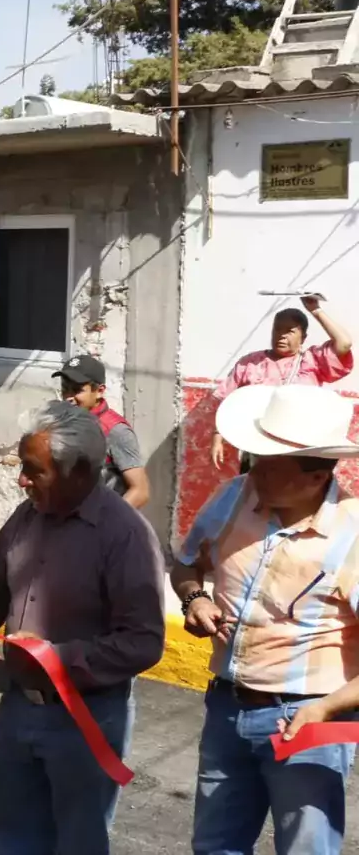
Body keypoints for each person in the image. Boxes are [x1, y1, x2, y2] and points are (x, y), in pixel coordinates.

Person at [0, 402, 166, 855]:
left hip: (86, 717)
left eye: (35, 471)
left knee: (77, 842)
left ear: (82, 471)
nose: (21, 481)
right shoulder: (26, 516)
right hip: (18, 709)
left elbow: (144, 642)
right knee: (13, 838)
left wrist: (55, 659)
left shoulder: (124, 534)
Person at [172, 384, 359, 855]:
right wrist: (194, 597)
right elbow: (186, 563)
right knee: (215, 845)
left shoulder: (352, 533)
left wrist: (326, 710)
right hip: (226, 706)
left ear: (316, 478)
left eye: (270, 465)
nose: (253, 472)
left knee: (305, 849)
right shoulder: (233, 497)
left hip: (309, 718)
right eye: (255, 458)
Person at [212, 295, 353, 469]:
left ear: (303, 337)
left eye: (290, 331)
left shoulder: (312, 361)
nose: (281, 335)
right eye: (277, 329)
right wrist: (218, 437)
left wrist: (315, 310)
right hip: (258, 448)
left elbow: (344, 343)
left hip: (299, 450)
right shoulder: (250, 362)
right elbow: (227, 400)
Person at [54, 354, 149, 508]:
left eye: (77, 390)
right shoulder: (63, 421)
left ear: (99, 391)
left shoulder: (116, 430)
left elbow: (140, 492)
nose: (68, 397)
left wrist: (106, 522)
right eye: (65, 389)